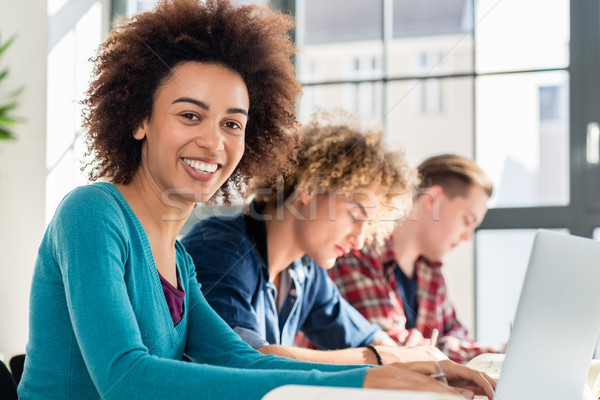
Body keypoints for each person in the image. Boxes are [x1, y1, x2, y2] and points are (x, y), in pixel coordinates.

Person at [17, 1, 496, 399]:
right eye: (190, 115)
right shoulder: (92, 213)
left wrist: (384, 378)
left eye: (232, 124)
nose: (213, 141)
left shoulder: (179, 258)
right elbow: (126, 379)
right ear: (140, 120)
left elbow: (239, 358)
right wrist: (374, 375)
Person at [183, 114, 450, 365]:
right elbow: (249, 359)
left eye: (369, 228)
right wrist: (384, 357)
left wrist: (408, 357)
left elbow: (368, 338)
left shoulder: (305, 272)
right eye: (356, 214)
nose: (358, 242)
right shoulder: (219, 248)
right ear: (310, 188)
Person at [330, 154, 505, 364]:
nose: (467, 237)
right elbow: (392, 349)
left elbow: (458, 334)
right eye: (467, 220)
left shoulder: (430, 271)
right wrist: (498, 353)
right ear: (433, 200)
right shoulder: (357, 254)